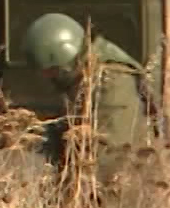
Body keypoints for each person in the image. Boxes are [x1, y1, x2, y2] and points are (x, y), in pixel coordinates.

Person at [19, 12, 157, 198]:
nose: (48, 80)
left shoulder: (111, 82)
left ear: (65, 64)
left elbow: (111, 157)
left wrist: (65, 194)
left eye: (50, 73)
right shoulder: (87, 74)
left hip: (123, 198)